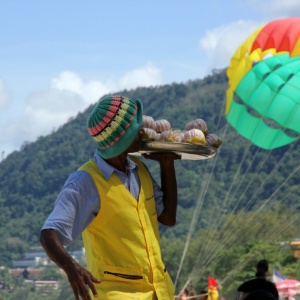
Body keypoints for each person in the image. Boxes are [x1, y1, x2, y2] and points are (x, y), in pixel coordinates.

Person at [39, 95, 180, 300]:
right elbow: (48, 234)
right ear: (121, 139)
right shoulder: (85, 181)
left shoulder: (138, 168)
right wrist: (71, 267)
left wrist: (167, 165)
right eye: (136, 129)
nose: (142, 132)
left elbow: (168, 217)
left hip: (160, 293)